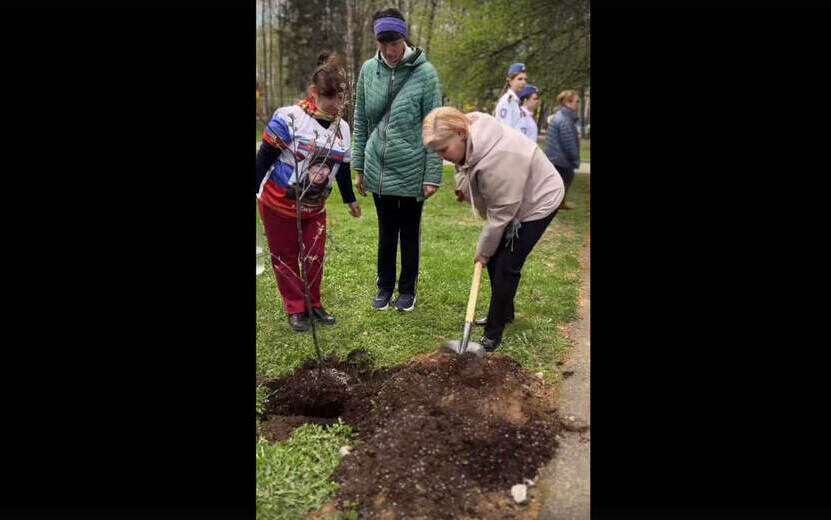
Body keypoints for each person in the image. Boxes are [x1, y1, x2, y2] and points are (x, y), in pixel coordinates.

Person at [422, 107, 564, 351]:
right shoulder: (470, 139)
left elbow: (501, 213)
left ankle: (493, 332)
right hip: (514, 200)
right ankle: (504, 313)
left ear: (460, 133)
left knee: (506, 265)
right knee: (497, 261)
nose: (442, 157)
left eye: (443, 150)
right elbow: (468, 172)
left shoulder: (499, 156)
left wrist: (483, 251)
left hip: (539, 201)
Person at [255, 50, 361, 332]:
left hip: (315, 207)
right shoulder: (289, 119)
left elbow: (341, 170)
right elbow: (264, 158)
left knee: (314, 255)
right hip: (277, 204)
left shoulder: (344, 130)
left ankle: (314, 303)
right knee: (285, 257)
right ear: (315, 92)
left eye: (342, 98)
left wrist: (350, 200)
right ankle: (295, 308)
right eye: (330, 98)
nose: (337, 105)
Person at [352, 7, 443, 312]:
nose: (389, 51)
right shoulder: (368, 70)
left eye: (394, 43)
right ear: (377, 41)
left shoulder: (425, 73)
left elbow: (434, 124)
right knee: (386, 233)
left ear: (404, 38)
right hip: (378, 166)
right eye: (383, 44)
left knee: (409, 234)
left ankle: (407, 289)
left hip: (413, 168)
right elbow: (362, 119)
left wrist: (432, 174)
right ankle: (384, 286)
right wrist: (359, 166)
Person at [544, 90, 581, 210]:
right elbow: (569, 143)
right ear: (567, 103)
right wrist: (575, 159)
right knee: (565, 180)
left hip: (555, 157)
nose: (577, 104)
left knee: (561, 182)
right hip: (560, 159)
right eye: (576, 101)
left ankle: (559, 204)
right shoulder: (565, 120)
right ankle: (557, 204)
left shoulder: (562, 117)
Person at [493, 63, 527, 129]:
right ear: (510, 81)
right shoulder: (507, 101)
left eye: (525, 79)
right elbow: (506, 130)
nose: (523, 82)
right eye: (520, 79)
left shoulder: (514, 100)